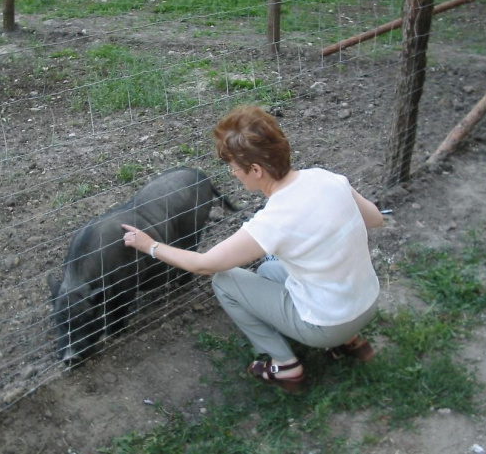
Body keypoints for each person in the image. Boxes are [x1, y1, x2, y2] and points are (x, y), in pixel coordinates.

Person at [122, 104, 383, 393]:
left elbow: (204, 265)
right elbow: (375, 219)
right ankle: (350, 341)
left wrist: (151, 245)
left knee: (225, 281)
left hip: (327, 324)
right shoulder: (327, 178)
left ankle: (285, 366)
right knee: (270, 268)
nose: (232, 173)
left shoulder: (275, 219)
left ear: (256, 169)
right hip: (368, 301)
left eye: (233, 166)